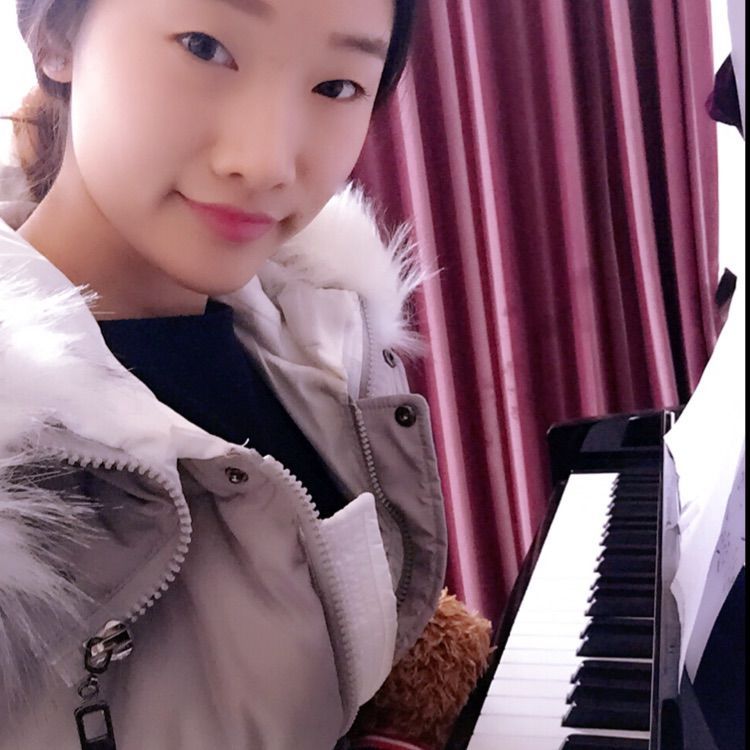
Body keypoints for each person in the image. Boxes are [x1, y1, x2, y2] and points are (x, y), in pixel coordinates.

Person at [0, 0, 447, 748]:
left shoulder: (321, 339)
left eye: (337, 86)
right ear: (53, 36)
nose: (267, 162)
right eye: (205, 46)